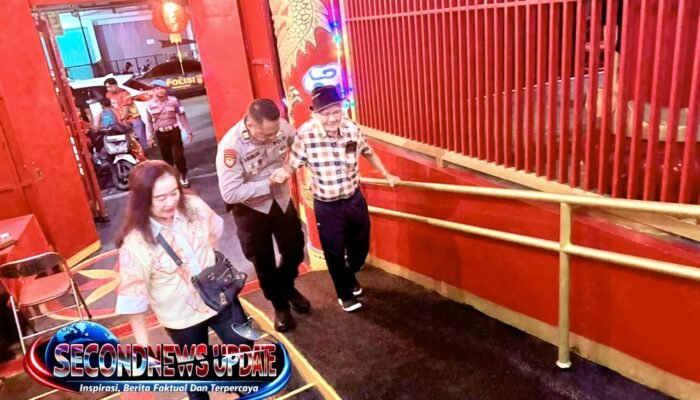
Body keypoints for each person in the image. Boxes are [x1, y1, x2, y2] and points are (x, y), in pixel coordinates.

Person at [114, 160, 251, 400]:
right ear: (143, 199)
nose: (170, 202)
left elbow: (214, 232)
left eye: (174, 193)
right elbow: (133, 300)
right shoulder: (135, 242)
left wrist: (208, 265)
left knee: (243, 346)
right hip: (181, 318)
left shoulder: (194, 206)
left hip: (219, 297)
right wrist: (143, 348)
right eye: (160, 198)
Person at [278, 85, 399, 313]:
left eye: (336, 111)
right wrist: (281, 174)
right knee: (334, 252)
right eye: (325, 113)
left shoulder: (351, 127)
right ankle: (345, 295)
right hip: (327, 206)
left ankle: (349, 274)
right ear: (315, 113)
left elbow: (367, 151)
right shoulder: (305, 134)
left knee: (360, 247)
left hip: (354, 199)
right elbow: (291, 164)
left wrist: (386, 174)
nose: (332, 118)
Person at [215, 98, 308, 332]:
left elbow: (300, 145)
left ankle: (286, 286)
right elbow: (230, 193)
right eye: (266, 134)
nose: (272, 137)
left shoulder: (280, 127)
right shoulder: (231, 147)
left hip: (281, 200)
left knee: (295, 249)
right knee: (263, 261)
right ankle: (279, 305)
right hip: (250, 209)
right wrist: (268, 184)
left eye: (274, 133)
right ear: (250, 124)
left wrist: (289, 167)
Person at [146, 79, 193, 187]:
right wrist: (150, 137)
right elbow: (149, 122)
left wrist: (188, 131)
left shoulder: (174, 101)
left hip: (174, 131)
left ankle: (183, 176)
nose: (160, 91)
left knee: (179, 156)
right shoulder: (149, 105)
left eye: (162, 88)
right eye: (157, 89)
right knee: (166, 158)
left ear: (165, 89)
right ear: (153, 91)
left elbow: (182, 116)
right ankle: (172, 178)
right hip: (160, 133)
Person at [104, 77, 147, 149]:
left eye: (110, 87)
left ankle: (143, 151)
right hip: (120, 121)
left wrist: (123, 120)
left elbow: (126, 108)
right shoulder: (108, 95)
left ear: (115, 85)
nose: (108, 89)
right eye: (107, 87)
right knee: (127, 141)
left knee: (139, 139)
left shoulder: (124, 93)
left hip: (132, 119)